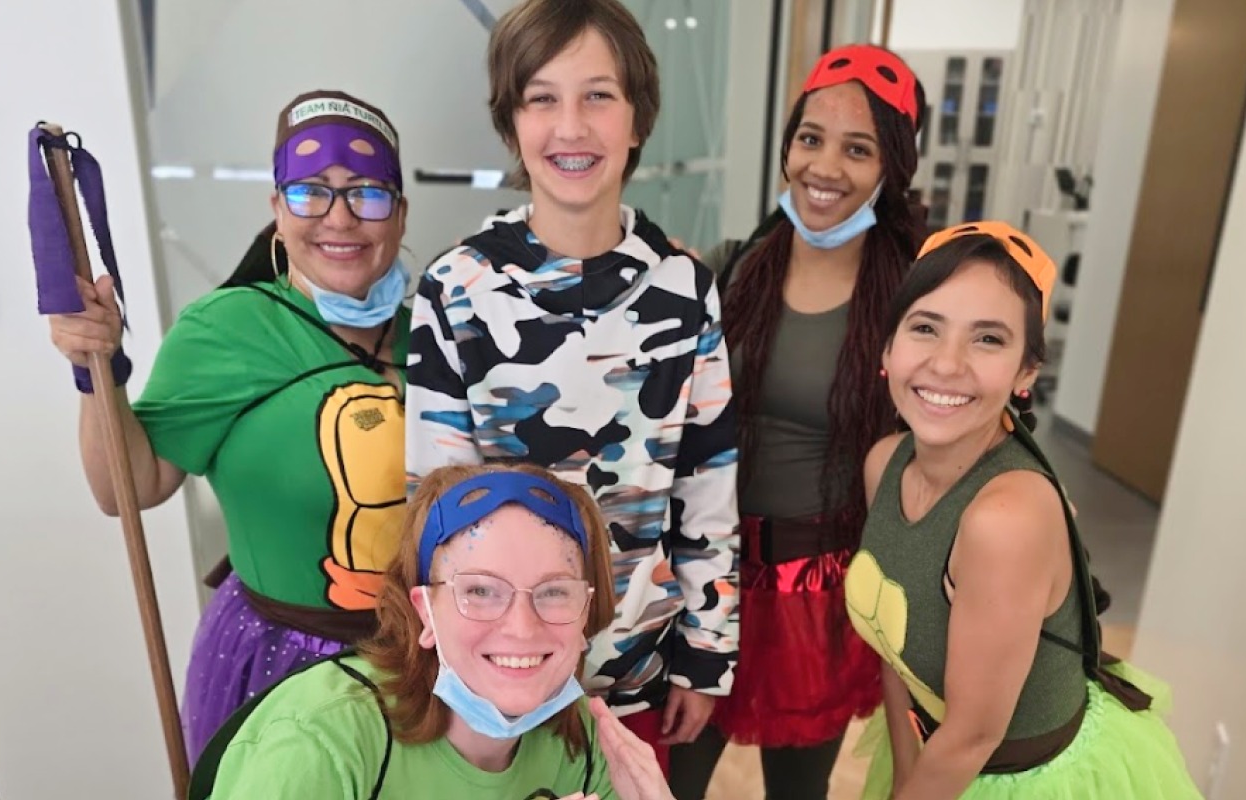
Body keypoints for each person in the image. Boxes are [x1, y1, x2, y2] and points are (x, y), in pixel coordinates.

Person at [405, 0, 738, 775]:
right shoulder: (457, 288)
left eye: (599, 95)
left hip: (638, 672)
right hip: (497, 678)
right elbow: (435, 505)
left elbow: (707, 485)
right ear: (511, 120)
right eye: (542, 98)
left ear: (637, 117)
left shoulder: (685, 289)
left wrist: (706, 652)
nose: (572, 127)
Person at [48, 89, 411, 762]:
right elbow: (130, 486)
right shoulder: (229, 328)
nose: (340, 217)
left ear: (400, 212)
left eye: (367, 192)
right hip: (281, 665)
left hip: (431, 664)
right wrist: (95, 370)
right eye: (310, 192)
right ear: (277, 209)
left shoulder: (450, 332)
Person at [847, 221, 1200, 799]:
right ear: (887, 347)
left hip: (1022, 780)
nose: (947, 363)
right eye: (925, 328)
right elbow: (894, 647)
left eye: (987, 339)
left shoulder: (1005, 519)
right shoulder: (885, 463)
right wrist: (904, 773)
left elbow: (972, 736)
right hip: (935, 754)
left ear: (1026, 372)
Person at [668, 44, 926, 800]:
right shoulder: (735, 266)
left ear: (892, 167)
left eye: (858, 148)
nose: (825, 167)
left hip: (815, 592)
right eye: (810, 139)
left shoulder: (911, 300)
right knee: (661, 782)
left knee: (797, 793)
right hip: (703, 578)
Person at [190, 464, 680, 799]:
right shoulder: (315, 746)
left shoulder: (585, 737)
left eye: (554, 592)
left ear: (585, 614)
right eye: (481, 591)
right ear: (425, 612)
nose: (521, 626)